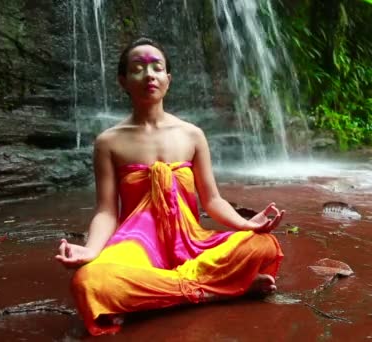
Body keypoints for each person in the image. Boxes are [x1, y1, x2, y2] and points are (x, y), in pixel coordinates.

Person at [55, 37, 285, 336]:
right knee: (88, 281)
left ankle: (159, 295)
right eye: (138, 69)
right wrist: (91, 249)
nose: (149, 74)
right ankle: (217, 290)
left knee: (262, 245)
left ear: (168, 78)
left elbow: (212, 200)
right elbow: (107, 212)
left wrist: (244, 224)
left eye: (157, 67)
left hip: (191, 244)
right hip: (137, 247)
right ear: (123, 81)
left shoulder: (192, 135)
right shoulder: (109, 142)